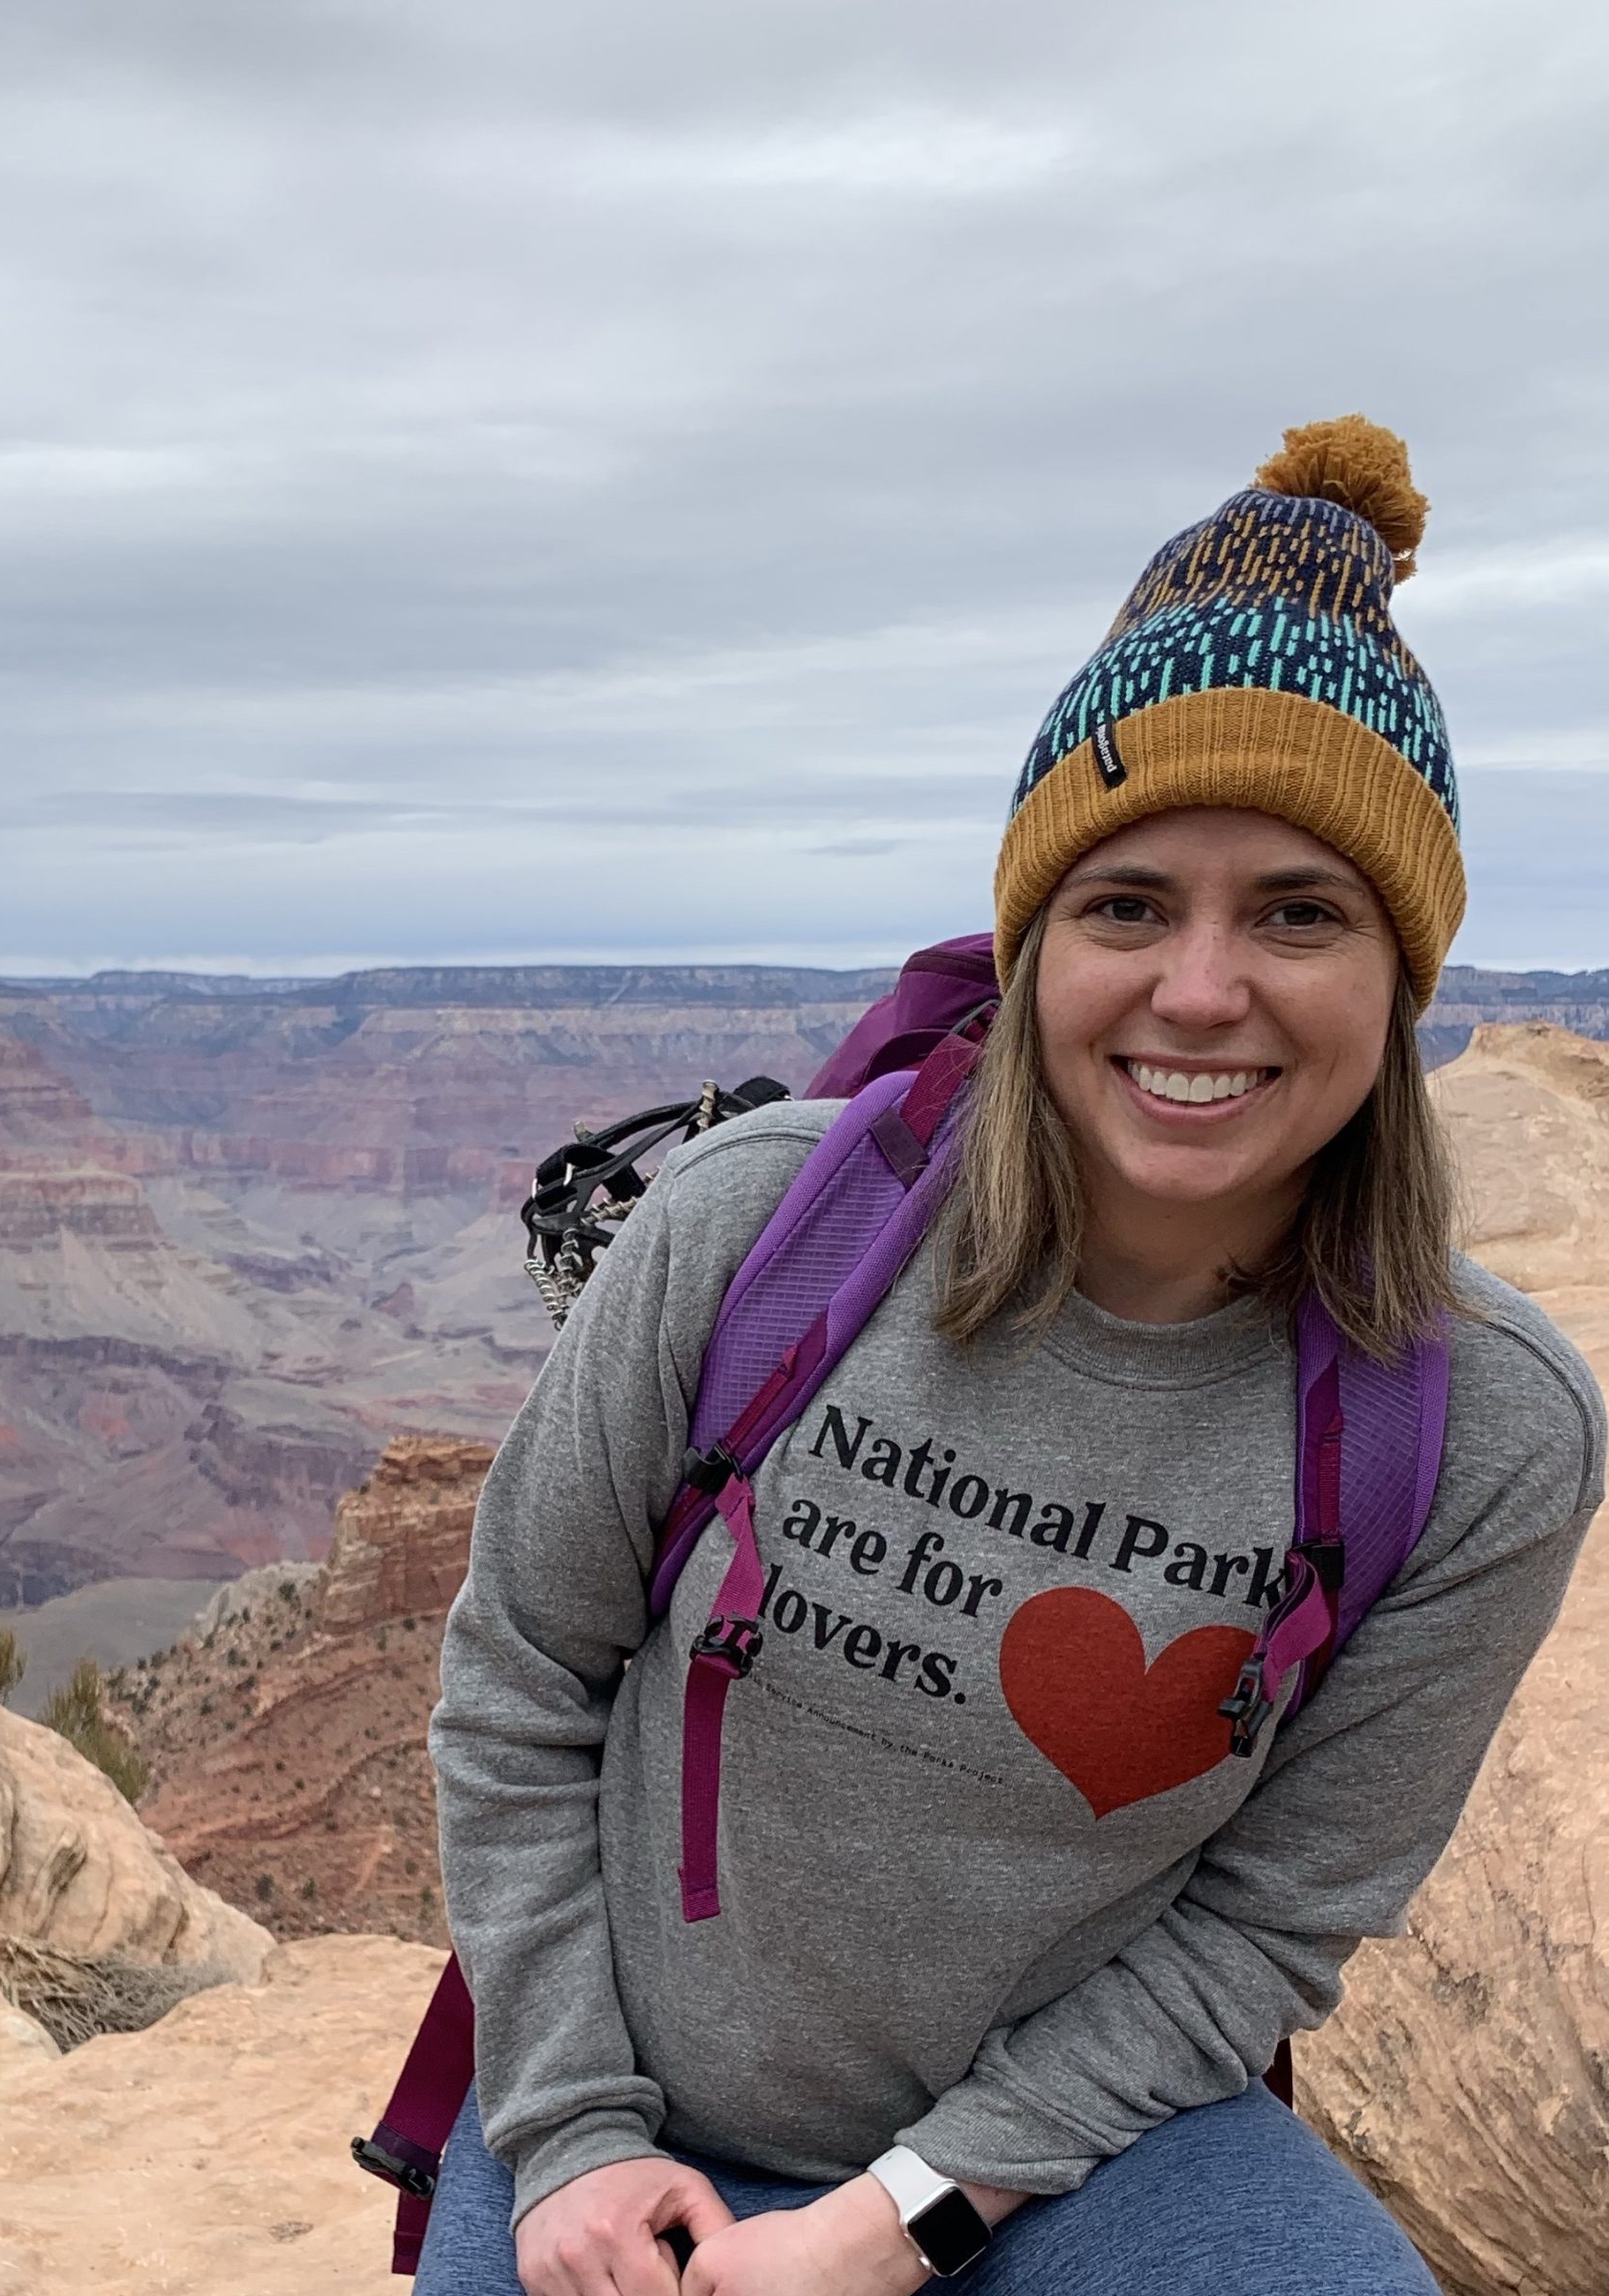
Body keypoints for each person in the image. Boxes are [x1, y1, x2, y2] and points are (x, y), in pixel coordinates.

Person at [419, 417, 1605, 2296]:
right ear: (1035, 942)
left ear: (1400, 974)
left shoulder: (1482, 1431)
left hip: (1067, 2161)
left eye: (1299, 913)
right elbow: (519, 1675)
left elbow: (1267, 1925)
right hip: (625, 2111)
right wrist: (566, 2133)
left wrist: (904, 2217)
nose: (1199, 991)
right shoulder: (754, 1224)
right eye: (1127, 905)